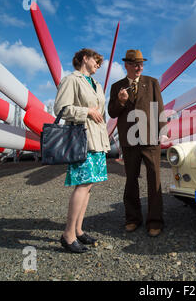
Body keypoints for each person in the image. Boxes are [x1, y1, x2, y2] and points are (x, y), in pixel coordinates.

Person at [54, 48, 110, 253]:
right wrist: (86, 110)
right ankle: (67, 235)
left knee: (89, 185)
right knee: (82, 183)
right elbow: (60, 108)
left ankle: (78, 230)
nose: (98, 64)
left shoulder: (97, 84)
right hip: (82, 139)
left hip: (97, 139)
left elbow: (100, 112)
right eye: (96, 60)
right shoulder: (71, 80)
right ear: (84, 58)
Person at [108, 50, 167, 237]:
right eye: (135, 64)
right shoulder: (117, 87)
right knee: (131, 180)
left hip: (151, 139)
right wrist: (121, 101)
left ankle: (155, 221)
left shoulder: (152, 83)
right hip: (129, 139)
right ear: (126, 65)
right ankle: (132, 219)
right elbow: (112, 112)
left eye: (141, 63)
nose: (139, 67)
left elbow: (160, 109)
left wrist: (162, 132)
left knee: (154, 180)